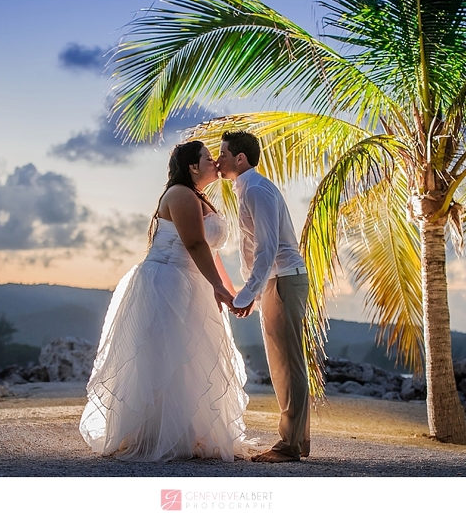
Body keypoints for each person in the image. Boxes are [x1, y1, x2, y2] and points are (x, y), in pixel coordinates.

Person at [79, 140, 249, 462]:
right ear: (192, 167)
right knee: (165, 355)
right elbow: (196, 243)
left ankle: (187, 430)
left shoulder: (199, 197)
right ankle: (155, 434)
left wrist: (229, 290)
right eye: (207, 158)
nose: (214, 162)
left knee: (190, 356)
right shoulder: (181, 194)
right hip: (166, 281)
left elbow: (210, 253)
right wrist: (217, 287)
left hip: (191, 282)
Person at [217, 130, 311, 463]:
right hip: (278, 279)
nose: (218, 160)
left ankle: (289, 446)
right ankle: (299, 441)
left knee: (287, 363)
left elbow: (267, 248)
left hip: (283, 279)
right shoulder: (250, 188)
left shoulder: (255, 189)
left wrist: (247, 293)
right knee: (286, 361)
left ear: (240, 159)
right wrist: (255, 291)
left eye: (223, 154)